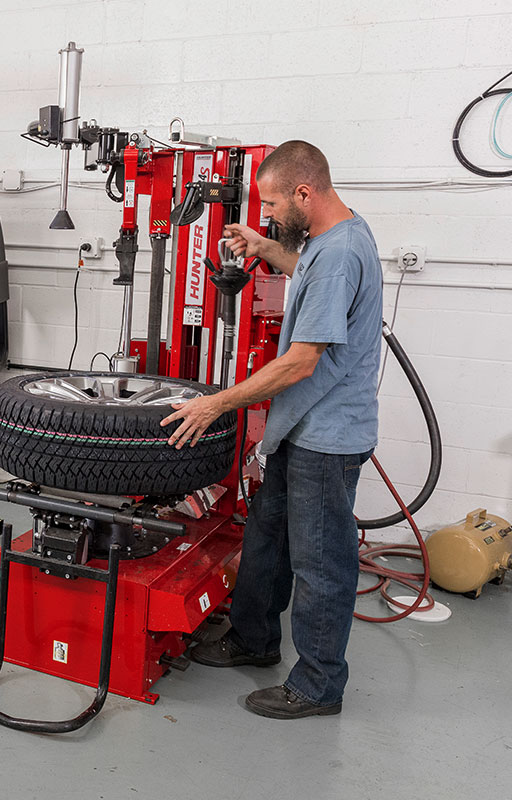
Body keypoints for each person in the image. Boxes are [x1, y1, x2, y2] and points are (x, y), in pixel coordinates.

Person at [160, 140, 383, 720]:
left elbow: (301, 362)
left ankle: (318, 685)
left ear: (305, 193)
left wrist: (218, 405)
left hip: (326, 439)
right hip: (298, 430)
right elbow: (304, 269)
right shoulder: (329, 240)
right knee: (267, 537)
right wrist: (264, 249)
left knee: (321, 564)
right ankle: (254, 640)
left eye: (275, 205)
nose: (270, 214)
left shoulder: (338, 255)